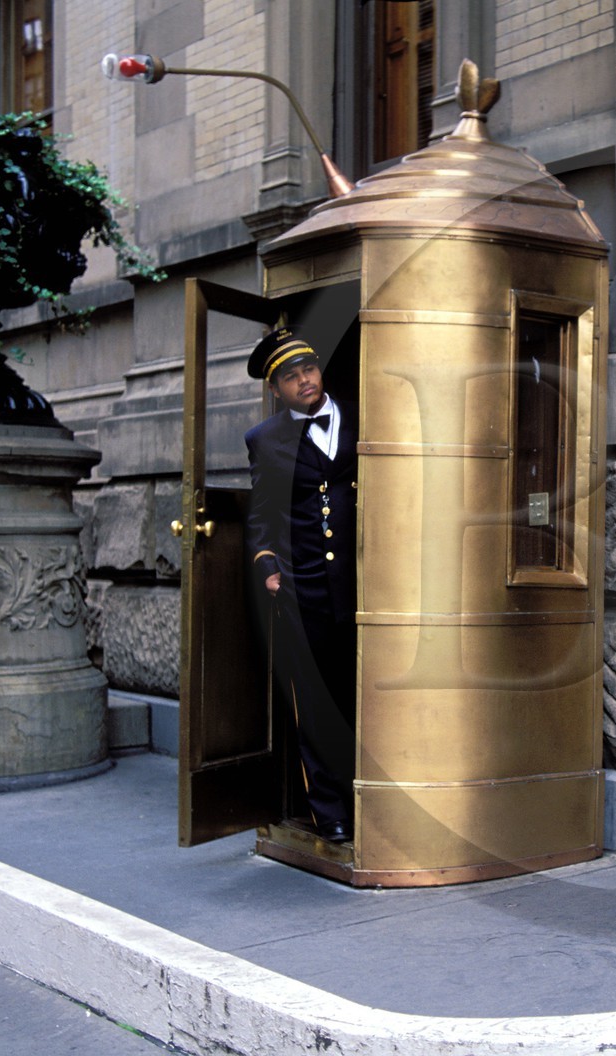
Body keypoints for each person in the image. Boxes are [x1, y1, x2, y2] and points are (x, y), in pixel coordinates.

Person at [244, 327, 357, 843]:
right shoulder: (265, 440)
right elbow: (262, 513)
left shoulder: (360, 413)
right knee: (316, 699)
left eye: (308, 369)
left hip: (366, 580)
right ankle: (329, 808)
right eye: (291, 377)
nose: (304, 380)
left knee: (368, 691)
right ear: (276, 390)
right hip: (305, 586)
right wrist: (269, 567)